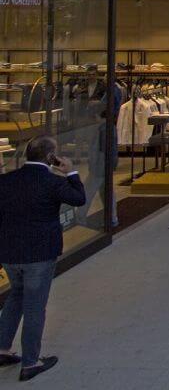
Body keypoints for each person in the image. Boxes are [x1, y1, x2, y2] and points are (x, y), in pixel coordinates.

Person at [0, 136, 85, 381]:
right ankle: (30, 362)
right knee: (35, 306)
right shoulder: (53, 182)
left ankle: (2, 347)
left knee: (16, 296)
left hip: (9, 251)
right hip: (39, 252)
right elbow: (79, 198)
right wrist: (71, 173)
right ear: (51, 157)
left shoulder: (6, 180)